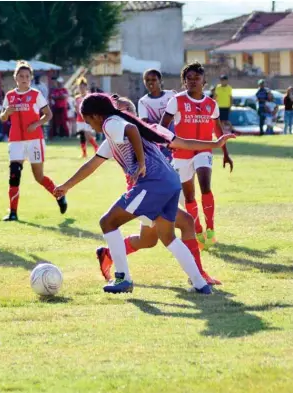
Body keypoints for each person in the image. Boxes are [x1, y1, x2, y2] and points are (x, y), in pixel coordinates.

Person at [54, 94, 234, 293]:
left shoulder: (110, 123)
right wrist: (67, 186)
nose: (89, 125)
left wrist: (140, 163)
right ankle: (200, 284)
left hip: (152, 184)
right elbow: (92, 165)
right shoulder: (117, 135)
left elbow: (131, 130)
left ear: (96, 115)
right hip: (171, 183)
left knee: (108, 222)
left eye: (88, 120)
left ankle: (123, 279)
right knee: (166, 237)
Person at [98, 94, 222, 286]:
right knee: (184, 224)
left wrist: (214, 144)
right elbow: (92, 164)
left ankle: (109, 254)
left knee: (148, 240)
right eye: (117, 112)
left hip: (160, 190)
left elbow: (183, 143)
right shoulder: (114, 138)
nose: (120, 116)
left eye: (124, 111)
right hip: (144, 194)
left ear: (133, 114)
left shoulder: (150, 130)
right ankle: (198, 277)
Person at [160, 62, 234, 250]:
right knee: (189, 196)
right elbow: (163, 126)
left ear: (204, 81)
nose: (193, 81)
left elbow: (218, 130)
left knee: (205, 186)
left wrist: (225, 153)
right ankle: (198, 229)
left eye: (197, 78)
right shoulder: (176, 101)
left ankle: (210, 228)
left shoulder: (211, 104)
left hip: (204, 151)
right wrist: (163, 147)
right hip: (181, 153)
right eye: (189, 79)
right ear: (184, 82)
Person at [0, 61, 67, 222]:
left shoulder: (36, 94)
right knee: (14, 175)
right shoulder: (9, 96)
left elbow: (48, 114)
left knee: (39, 177)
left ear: (30, 78)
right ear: (15, 78)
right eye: (21, 76)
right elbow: (2, 117)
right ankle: (13, 212)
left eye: (27, 76)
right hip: (15, 140)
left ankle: (59, 196)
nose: (24, 79)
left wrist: (36, 124)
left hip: (34, 140)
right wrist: (6, 113)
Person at [138, 69, 176, 162]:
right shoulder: (143, 101)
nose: (150, 82)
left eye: (154, 80)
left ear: (160, 81)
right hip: (158, 141)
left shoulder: (171, 95)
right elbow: (144, 123)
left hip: (176, 137)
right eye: (147, 80)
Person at [75, 78, 98, 158]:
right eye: (80, 87)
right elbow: (76, 108)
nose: (81, 89)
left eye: (82, 87)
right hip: (79, 119)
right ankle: (84, 153)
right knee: (82, 135)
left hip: (87, 119)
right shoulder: (77, 98)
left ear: (85, 87)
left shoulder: (89, 97)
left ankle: (96, 147)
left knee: (87, 134)